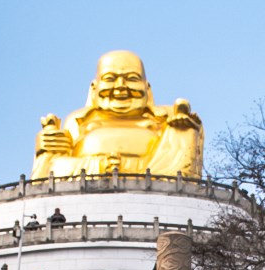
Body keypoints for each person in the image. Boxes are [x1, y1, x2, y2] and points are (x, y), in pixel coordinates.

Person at [31, 50, 204, 180]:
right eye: (110, 78)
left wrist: (184, 127)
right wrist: (47, 149)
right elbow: (54, 169)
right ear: (94, 88)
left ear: (147, 88)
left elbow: (179, 162)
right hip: (93, 178)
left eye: (132, 78)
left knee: (186, 131)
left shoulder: (164, 118)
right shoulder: (78, 120)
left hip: (156, 176)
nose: (120, 86)